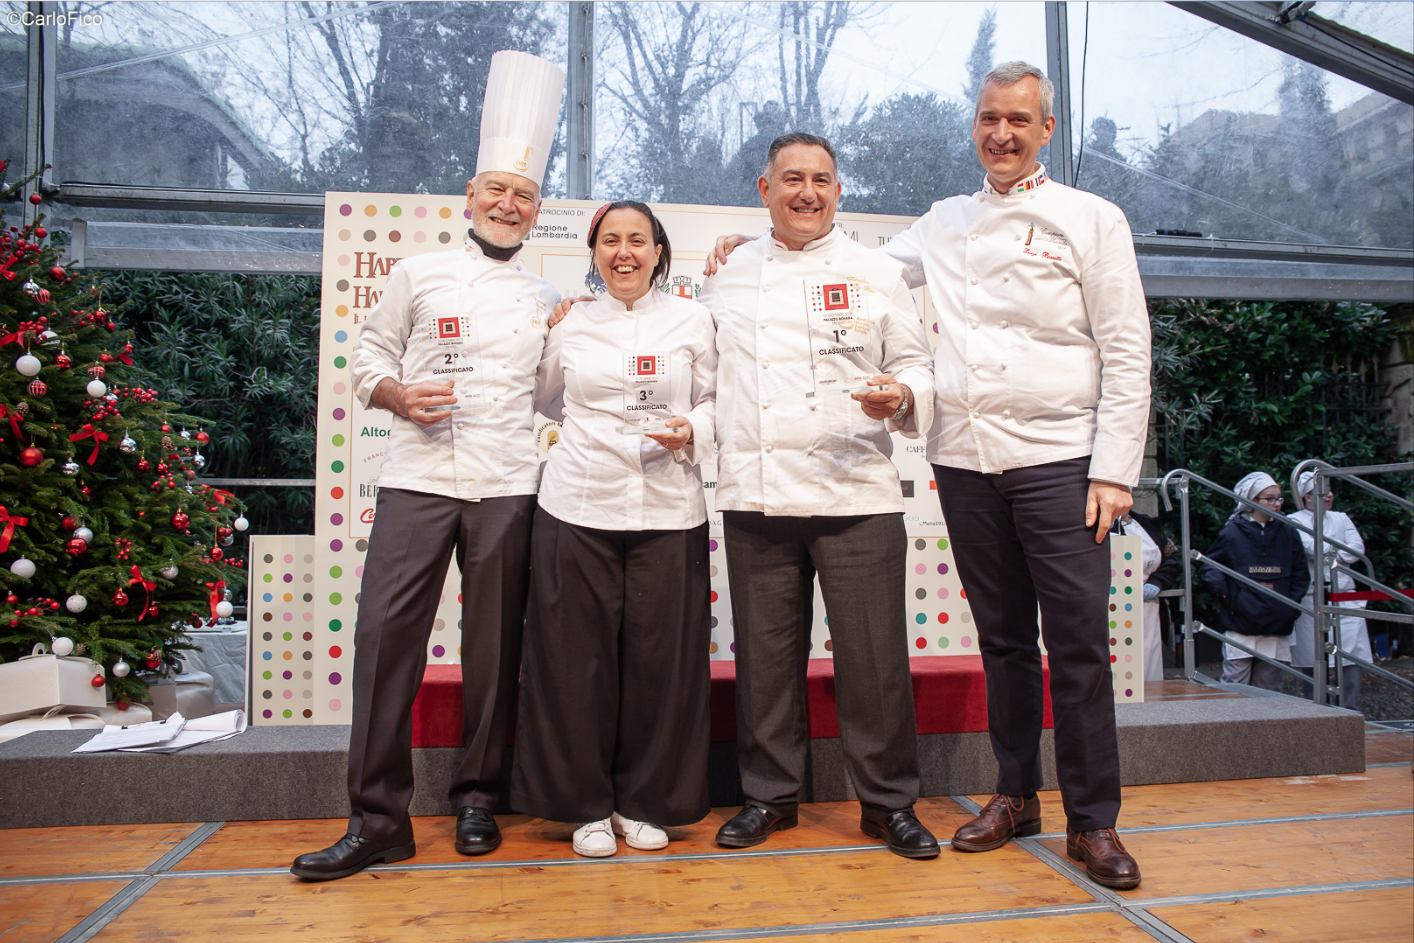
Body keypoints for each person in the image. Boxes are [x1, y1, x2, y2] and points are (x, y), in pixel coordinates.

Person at [703, 64, 1151, 889]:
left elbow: (1126, 347)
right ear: (975, 127)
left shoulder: (1091, 218)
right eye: (989, 118)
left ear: (1046, 129)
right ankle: (1016, 794)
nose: (1003, 133)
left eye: (1019, 119)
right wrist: (744, 245)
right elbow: (841, 262)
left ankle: (1095, 821)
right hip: (967, 459)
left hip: (1063, 461)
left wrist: (1116, 468)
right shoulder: (942, 222)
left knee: (1081, 647)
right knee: (1005, 642)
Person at [292, 51, 564, 881]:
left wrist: (590, 340)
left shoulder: (550, 296)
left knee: (493, 646)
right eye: (495, 192)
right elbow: (364, 357)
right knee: (382, 641)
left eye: (522, 196)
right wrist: (396, 395)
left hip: (509, 484)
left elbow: (555, 397)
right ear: (470, 199)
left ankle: (479, 796)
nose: (508, 205)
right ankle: (378, 816)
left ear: (536, 210)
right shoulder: (417, 272)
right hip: (415, 477)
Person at [702, 132, 941, 860]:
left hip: (857, 491)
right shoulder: (729, 272)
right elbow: (701, 368)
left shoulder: (875, 270)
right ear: (763, 186)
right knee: (766, 660)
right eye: (792, 178)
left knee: (873, 660)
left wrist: (901, 393)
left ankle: (888, 803)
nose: (808, 190)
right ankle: (769, 797)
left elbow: (914, 362)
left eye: (823, 179)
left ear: (839, 190)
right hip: (757, 493)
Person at [509, 201, 716, 857]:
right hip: (577, 506)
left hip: (669, 509)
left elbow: (717, 400)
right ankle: (584, 807)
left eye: (636, 239)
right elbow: (542, 396)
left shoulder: (693, 319)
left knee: (664, 662)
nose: (623, 252)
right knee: (573, 662)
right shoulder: (570, 325)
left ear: (659, 250)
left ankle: (645, 800)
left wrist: (694, 430)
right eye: (609, 241)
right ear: (594, 252)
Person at [1201, 472, 1309, 692]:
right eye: (1269, 498)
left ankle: (1268, 727)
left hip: (1277, 620)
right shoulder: (1233, 531)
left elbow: (1300, 572)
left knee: (1269, 686)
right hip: (1241, 619)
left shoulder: (1288, 531)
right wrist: (1225, 594)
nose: (1276, 504)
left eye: (1279, 498)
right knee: (1235, 683)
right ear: (1251, 500)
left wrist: (1290, 604)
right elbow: (1211, 563)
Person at [1289, 471, 1369, 711]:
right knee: (1313, 659)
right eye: (1321, 492)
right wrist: (1335, 552)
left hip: (1343, 596)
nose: (1329, 495)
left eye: (1330, 490)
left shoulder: (1341, 518)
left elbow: (1357, 550)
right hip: (1312, 598)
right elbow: (1308, 548)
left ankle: (1350, 710)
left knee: (1351, 658)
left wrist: (1328, 554)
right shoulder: (1295, 520)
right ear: (1307, 497)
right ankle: (1316, 711)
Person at [1117, 510, 1181, 683]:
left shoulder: (1147, 524)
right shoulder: (1092, 526)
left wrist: (1158, 581)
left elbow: (1172, 556)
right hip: (1111, 609)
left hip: (1148, 609)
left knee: (1148, 664)